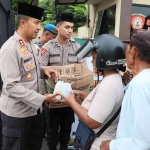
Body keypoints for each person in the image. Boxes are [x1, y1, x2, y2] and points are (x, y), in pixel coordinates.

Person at [0, 2, 60, 150]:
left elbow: (31, 71)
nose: (39, 27)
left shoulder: (30, 45)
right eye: (36, 23)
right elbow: (11, 86)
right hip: (17, 116)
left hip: (35, 112)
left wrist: (44, 70)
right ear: (22, 23)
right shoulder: (10, 48)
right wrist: (42, 98)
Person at [58, 34, 126, 150]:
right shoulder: (112, 79)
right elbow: (102, 105)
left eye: (94, 58)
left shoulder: (109, 86)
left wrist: (71, 102)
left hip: (97, 143)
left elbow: (93, 121)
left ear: (104, 59)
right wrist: (84, 96)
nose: (92, 62)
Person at [40, 13, 87, 150]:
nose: (70, 30)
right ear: (58, 27)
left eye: (72, 27)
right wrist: (44, 96)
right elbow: (40, 70)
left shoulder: (76, 47)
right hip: (53, 98)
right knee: (52, 130)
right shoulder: (47, 47)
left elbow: (83, 68)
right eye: (67, 27)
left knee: (66, 129)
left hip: (69, 98)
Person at [100, 29, 150, 150]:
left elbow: (143, 141)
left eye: (127, 49)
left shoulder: (139, 84)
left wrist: (112, 145)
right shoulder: (141, 80)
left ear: (133, 52)